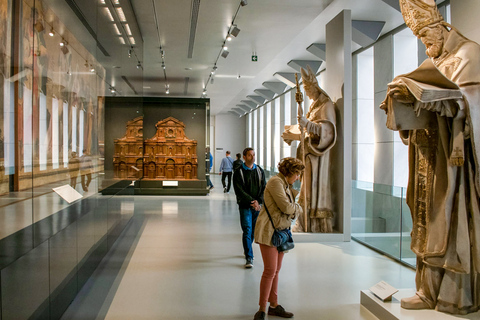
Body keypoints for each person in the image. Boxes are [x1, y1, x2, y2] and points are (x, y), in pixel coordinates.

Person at [380, 0, 480, 314]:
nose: (426, 44)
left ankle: (455, 294)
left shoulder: (469, 55)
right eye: (421, 38)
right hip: (427, 155)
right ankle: (427, 290)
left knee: (448, 223)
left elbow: (472, 106)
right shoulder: (438, 60)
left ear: (442, 26)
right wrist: (404, 100)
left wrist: (437, 101)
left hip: (454, 163)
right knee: (426, 220)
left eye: (428, 35)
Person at [285, 65, 337, 233]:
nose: (307, 94)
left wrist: (308, 125)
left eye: (308, 90)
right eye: (305, 90)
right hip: (308, 155)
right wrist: (293, 132)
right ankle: (303, 221)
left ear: (314, 87)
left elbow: (328, 131)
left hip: (317, 158)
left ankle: (313, 223)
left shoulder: (326, 105)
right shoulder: (314, 105)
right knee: (305, 189)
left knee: (311, 189)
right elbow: (307, 128)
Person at [252, 157, 304, 320]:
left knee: (275, 270)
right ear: (290, 172)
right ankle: (261, 309)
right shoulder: (276, 182)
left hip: (280, 231)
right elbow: (286, 207)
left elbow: (289, 208)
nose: (298, 178)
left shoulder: (285, 184)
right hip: (269, 230)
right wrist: (298, 208)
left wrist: (294, 209)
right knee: (269, 270)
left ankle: (273, 305)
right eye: (297, 174)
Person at [233, 148, 266, 268]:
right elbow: (239, 190)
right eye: (250, 155)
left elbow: (264, 188)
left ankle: (247, 248)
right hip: (245, 206)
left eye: (254, 155)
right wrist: (252, 201)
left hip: (257, 207)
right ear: (244, 157)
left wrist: (258, 202)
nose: (252, 157)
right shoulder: (239, 172)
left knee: (252, 231)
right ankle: (249, 257)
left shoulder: (259, 170)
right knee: (247, 229)